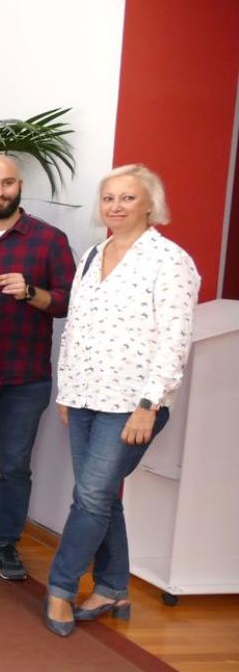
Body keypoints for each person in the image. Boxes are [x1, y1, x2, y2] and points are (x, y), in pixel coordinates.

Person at [43, 164, 199, 637]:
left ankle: (60, 587)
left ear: (150, 204)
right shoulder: (93, 255)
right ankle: (113, 587)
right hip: (84, 396)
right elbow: (76, 327)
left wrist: (150, 404)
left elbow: (175, 339)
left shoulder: (170, 260)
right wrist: (67, 390)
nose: (115, 206)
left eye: (127, 197)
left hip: (132, 403)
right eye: (109, 197)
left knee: (90, 495)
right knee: (102, 495)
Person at [0, 156, 76, 579]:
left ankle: (6, 542)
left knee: (15, 466)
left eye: (6, 183)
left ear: (19, 185)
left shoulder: (50, 240)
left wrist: (30, 291)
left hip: (26, 376)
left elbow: (68, 301)